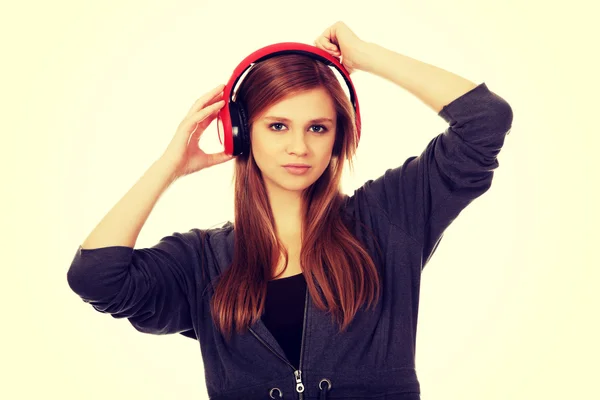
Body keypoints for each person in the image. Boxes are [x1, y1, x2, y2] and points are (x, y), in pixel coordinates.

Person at [66, 21, 513, 400]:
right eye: (277, 125)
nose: (299, 147)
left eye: (318, 128)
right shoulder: (199, 263)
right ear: (241, 133)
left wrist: (365, 55)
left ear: (338, 136)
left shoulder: (388, 219)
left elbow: (484, 120)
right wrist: (169, 166)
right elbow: (95, 278)